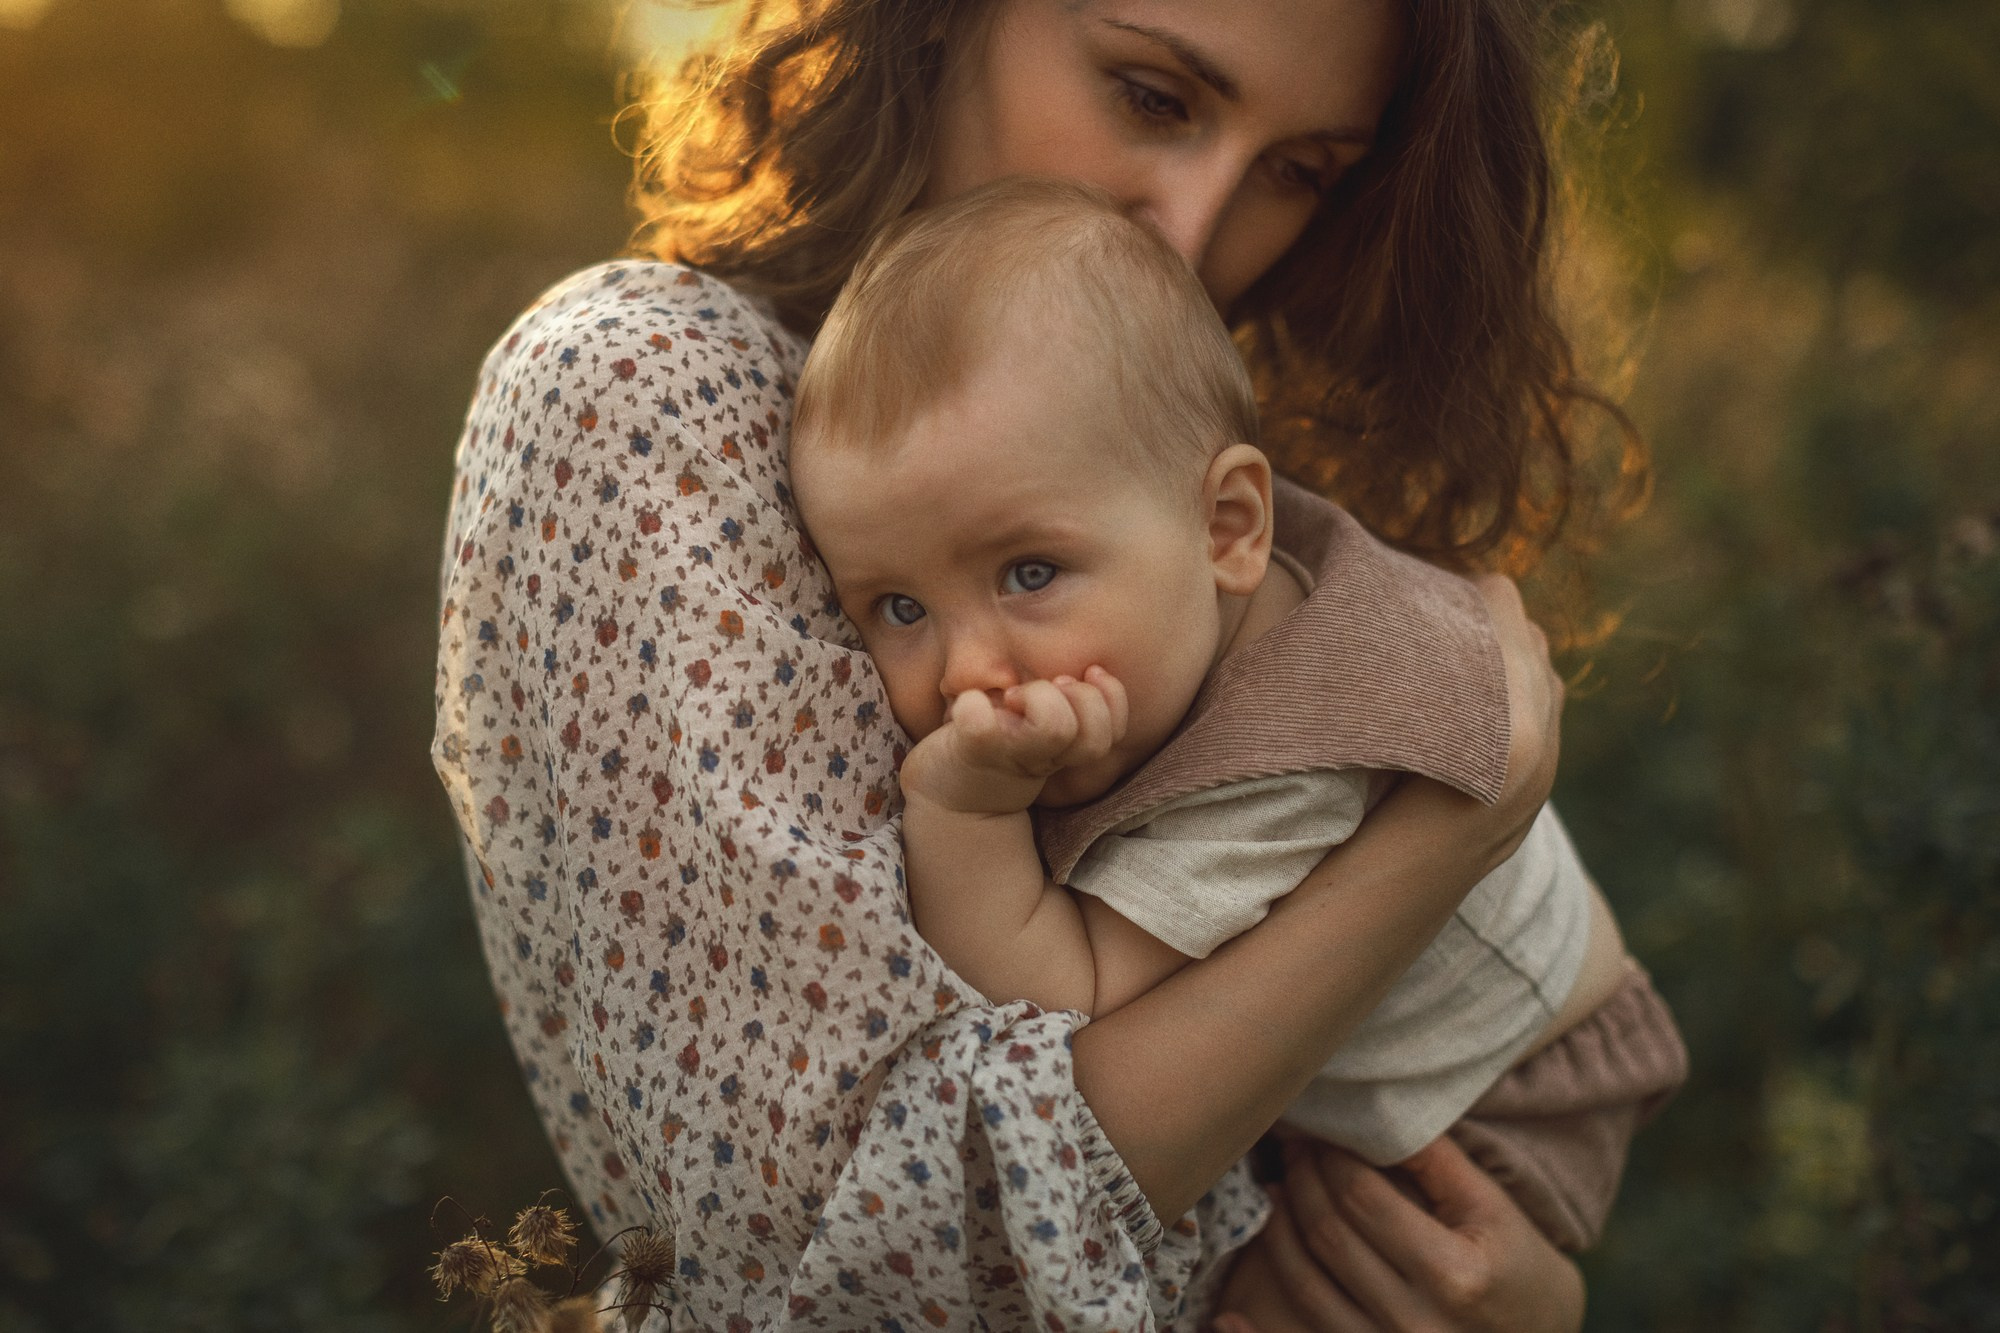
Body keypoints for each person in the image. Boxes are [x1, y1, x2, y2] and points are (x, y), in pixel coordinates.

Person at [433, 1, 1649, 1327]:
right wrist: (1441, 843)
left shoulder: (1158, 451)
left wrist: (1522, 1305)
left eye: (1297, 174)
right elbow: (869, 1260)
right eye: (1151, 95)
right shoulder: (652, 389)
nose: (1189, 233)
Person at [790, 171, 1682, 1245]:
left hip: (1508, 1103)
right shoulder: (1176, 565)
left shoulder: (1286, 759)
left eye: (1028, 574)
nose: (965, 671)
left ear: (1226, 528)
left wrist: (964, 814)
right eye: (896, 607)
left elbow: (1058, 1000)